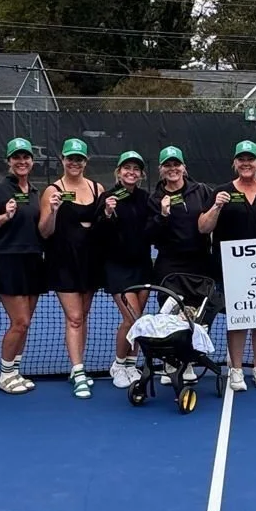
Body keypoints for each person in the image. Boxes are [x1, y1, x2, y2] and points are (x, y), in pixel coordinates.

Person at [198, 139, 256, 392]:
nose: (246, 163)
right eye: (241, 159)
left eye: (250, 159)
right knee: (237, 319)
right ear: (235, 163)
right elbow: (203, 227)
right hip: (230, 269)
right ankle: (236, 369)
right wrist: (217, 205)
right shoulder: (221, 191)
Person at [0, 137, 46, 395]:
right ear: (9, 161)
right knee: (20, 321)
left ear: (31, 161)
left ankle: (15, 370)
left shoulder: (35, 193)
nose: (22, 161)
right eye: (16, 157)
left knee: (26, 323)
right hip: (7, 261)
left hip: (33, 261)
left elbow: (41, 229)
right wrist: (3, 217)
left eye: (25, 157)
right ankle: (5, 374)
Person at [39, 138, 102, 399]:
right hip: (64, 262)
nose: (74, 163)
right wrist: (53, 210)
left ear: (85, 162)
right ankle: (78, 371)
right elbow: (44, 232)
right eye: (70, 158)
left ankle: (78, 366)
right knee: (74, 317)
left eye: (79, 159)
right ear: (62, 160)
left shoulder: (98, 188)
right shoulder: (52, 190)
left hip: (90, 263)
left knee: (82, 316)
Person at [147, 145, 216, 385]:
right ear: (161, 170)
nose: (172, 169)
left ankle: (187, 360)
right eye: (168, 165)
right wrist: (163, 214)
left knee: (194, 316)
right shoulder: (155, 199)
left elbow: (212, 222)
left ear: (184, 167)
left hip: (199, 263)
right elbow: (152, 236)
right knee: (170, 314)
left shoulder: (203, 192)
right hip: (169, 265)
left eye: (176, 164)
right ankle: (170, 361)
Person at [100, 150, 153, 390]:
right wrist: (108, 213)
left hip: (142, 266)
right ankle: (119, 365)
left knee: (138, 321)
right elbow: (98, 231)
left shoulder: (145, 198)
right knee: (132, 318)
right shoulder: (107, 197)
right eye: (126, 168)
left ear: (141, 174)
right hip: (117, 268)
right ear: (118, 172)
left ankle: (132, 364)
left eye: (135, 169)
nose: (131, 172)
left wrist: (163, 214)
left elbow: (153, 229)